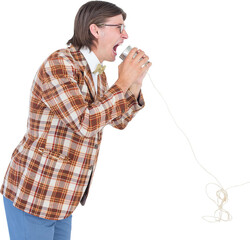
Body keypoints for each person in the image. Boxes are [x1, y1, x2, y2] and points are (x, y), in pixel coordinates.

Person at [1, 1, 151, 239]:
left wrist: (134, 84)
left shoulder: (96, 72)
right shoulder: (60, 64)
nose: (126, 35)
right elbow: (85, 123)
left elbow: (118, 120)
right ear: (96, 30)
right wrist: (121, 83)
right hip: (35, 193)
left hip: (63, 196)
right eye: (119, 27)